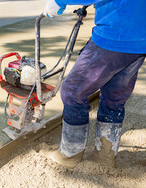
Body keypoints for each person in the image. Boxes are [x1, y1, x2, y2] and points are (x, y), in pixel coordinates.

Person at [43, 0, 146, 168]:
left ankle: (70, 154)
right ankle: (105, 155)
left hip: (115, 35)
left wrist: (58, 2)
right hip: (140, 38)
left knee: (72, 92)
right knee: (114, 96)